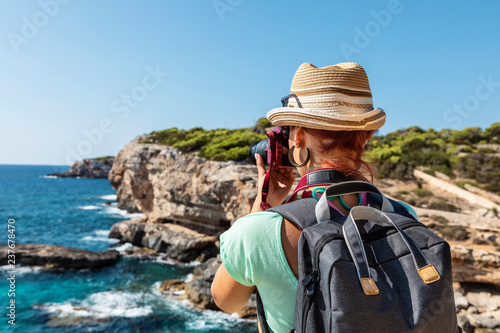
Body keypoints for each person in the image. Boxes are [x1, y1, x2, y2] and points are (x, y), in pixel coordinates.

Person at [211, 62, 418, 333]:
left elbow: (226, 301)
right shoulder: (403, 215)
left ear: (298, 137)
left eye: (288, 131)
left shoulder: (258, 231)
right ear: (365, 137)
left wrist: (262, 207)